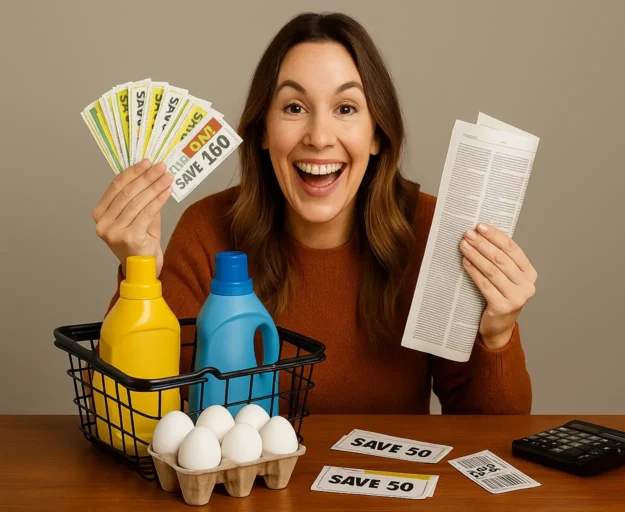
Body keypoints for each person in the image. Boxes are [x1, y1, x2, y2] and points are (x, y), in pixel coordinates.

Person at [92, 12, 536, 414]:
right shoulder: (207, 231)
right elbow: (141, 415)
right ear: (263, 130)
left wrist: (497, 336)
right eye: (294, 108)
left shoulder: (429, 232)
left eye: (346, 108)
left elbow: (488, 434)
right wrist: (140, 274)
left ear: (377, 134)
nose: (319, 136)